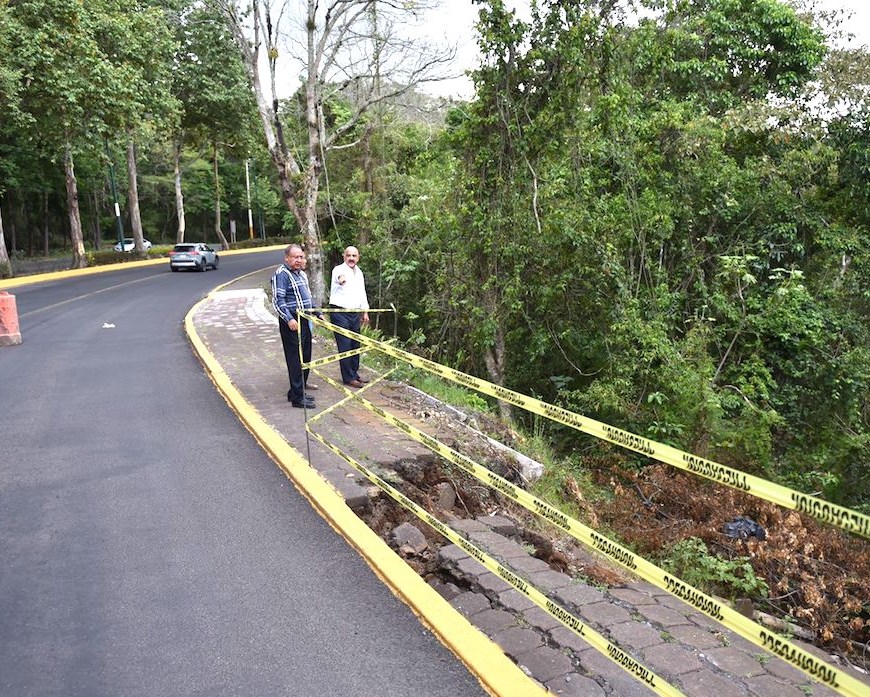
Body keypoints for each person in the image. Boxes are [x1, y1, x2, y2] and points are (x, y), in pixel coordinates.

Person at [272, 244, 318, 408]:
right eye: (295, 257)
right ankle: (297, 399)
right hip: (292, 321)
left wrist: (318, 312)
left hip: (304, 319)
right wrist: (289, 319)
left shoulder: (301, 274)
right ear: (287, 258)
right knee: (295, 358)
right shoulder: (281, 274)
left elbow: (308, 297)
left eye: (301, 257)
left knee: (305, 355)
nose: (299, 260)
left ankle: (297, 391)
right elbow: (278, 301)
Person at [329, 245, 369, 388]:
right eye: (348, 255)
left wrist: (365, 311)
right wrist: (341, 280)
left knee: (355, 343)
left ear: (358, 257)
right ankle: (348, 378)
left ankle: (354, 373)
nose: (351, 258)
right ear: (344, 256)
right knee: (345, 345)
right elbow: (338, 278)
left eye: (354, 255)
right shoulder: (338, 270)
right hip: (339, 312)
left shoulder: (359, 272)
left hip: (354, 312)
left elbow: (362, 292)